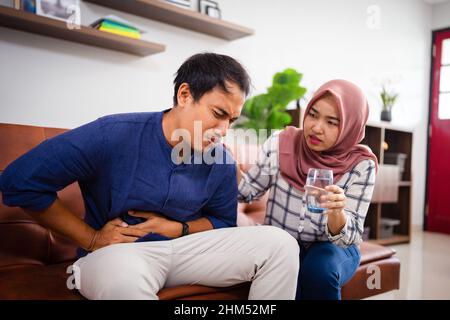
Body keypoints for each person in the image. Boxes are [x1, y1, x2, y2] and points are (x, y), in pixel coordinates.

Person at [0, 53, 299, 300]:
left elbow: (222, 223)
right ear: (184, 95)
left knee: (280, 244)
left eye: (231, 120)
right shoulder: (113, 134)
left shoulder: (221, 160)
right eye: (218, 113)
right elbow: (20, 181)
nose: (224, 131)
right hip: (119, 255)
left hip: (186, 253)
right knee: (121, 281)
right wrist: (91, 239)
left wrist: (177, 228)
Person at [237, 79, 378, 300]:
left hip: (333, 246)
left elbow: (349, 236)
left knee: (318, 271)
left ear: (351, 126)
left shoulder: (361, 164)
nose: (316, 127)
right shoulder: (281, 144)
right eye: (312, 115)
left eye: (331, 122)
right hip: (282, 240)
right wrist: (227, 166)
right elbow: (247, 192)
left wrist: (336, 213)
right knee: (285, 261)